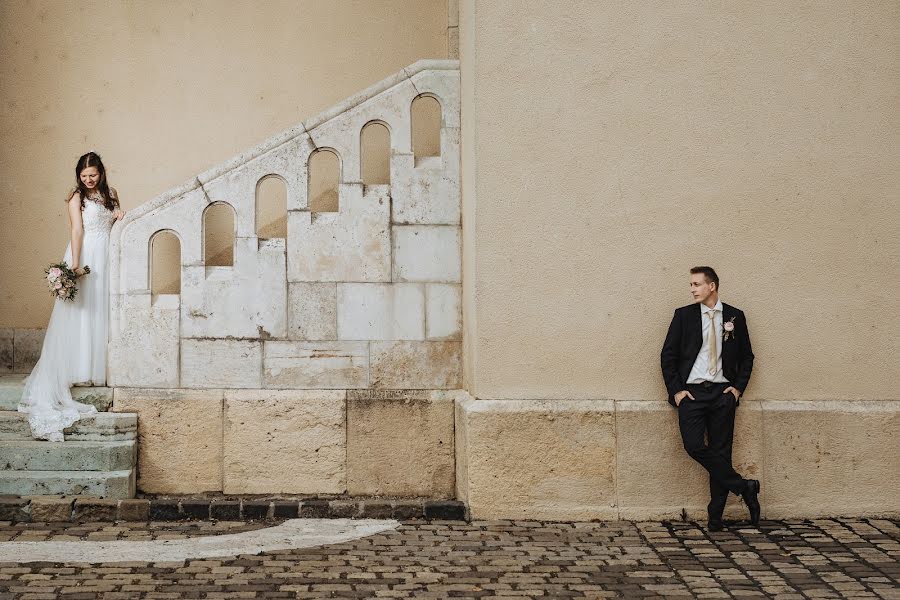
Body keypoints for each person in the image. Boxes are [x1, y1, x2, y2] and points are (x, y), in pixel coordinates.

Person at [18, 152, 125, 441]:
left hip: (106, 255)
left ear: (101, 172)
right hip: (87, 252)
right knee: (81, 310)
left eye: (93, 174)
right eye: (84, 175)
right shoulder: (76, 197)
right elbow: (77, 230)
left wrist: (117, 216)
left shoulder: (111, 194)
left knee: (100, 307)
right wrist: (75, 264)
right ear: (78, 176)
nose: (88, 179)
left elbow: (114, 225)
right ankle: (76, 367)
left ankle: (96, 367)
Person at [660, 266, 760, 531]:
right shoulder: (683, 316)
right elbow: (667, 356)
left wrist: (737, 389)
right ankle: (744, 486)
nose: (692, 289)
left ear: (711, 286)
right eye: (691, 285)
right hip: (692, 394)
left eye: (696, 284)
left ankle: (715, 517)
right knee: (693, 445)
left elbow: (747, 356)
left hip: (722, 394)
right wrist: (677, 392)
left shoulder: (735, 317)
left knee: (721, 453)